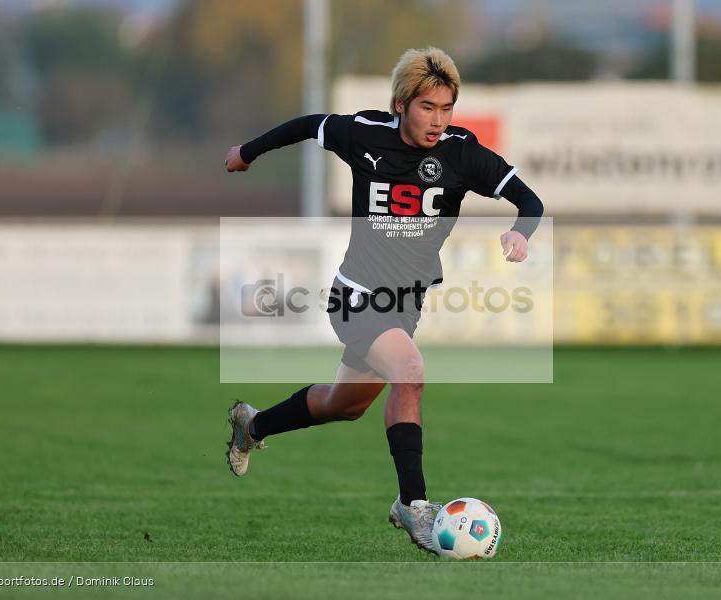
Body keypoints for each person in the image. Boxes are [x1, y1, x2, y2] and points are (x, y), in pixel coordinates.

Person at [223, 47, 543, 553]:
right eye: (427, 108)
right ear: (400, 104)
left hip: (404, 305)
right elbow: (307, 125)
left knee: (342, 405)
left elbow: (530, 200)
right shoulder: (365, 134)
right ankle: (413, 505)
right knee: (410, 371)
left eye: (447, 108)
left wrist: (520, 232)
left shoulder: (463, 153)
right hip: (354, 294)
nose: (438, 121)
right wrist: (248, 150)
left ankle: (253, 424)